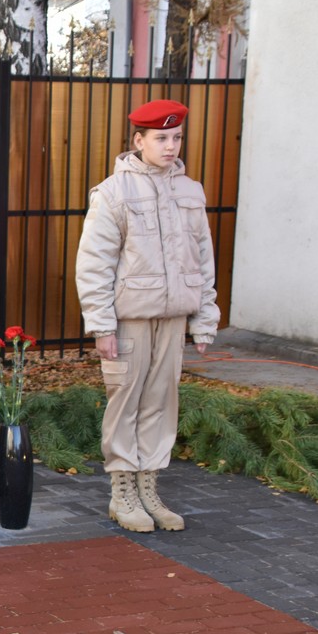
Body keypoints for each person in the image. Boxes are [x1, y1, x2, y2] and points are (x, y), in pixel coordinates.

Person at [75, 99, 219, 533]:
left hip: (173, 318)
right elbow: (94, 262)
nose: (171, 146)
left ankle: (149, 489)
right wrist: (101, 324)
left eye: (176, 138)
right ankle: (122, 493)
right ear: (139, 140)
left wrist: (205, 318)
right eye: (161, 138)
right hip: (129, 320)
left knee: (161, 402)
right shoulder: (113, 193)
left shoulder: (190, 192)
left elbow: (203, 259)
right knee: (126, 402)